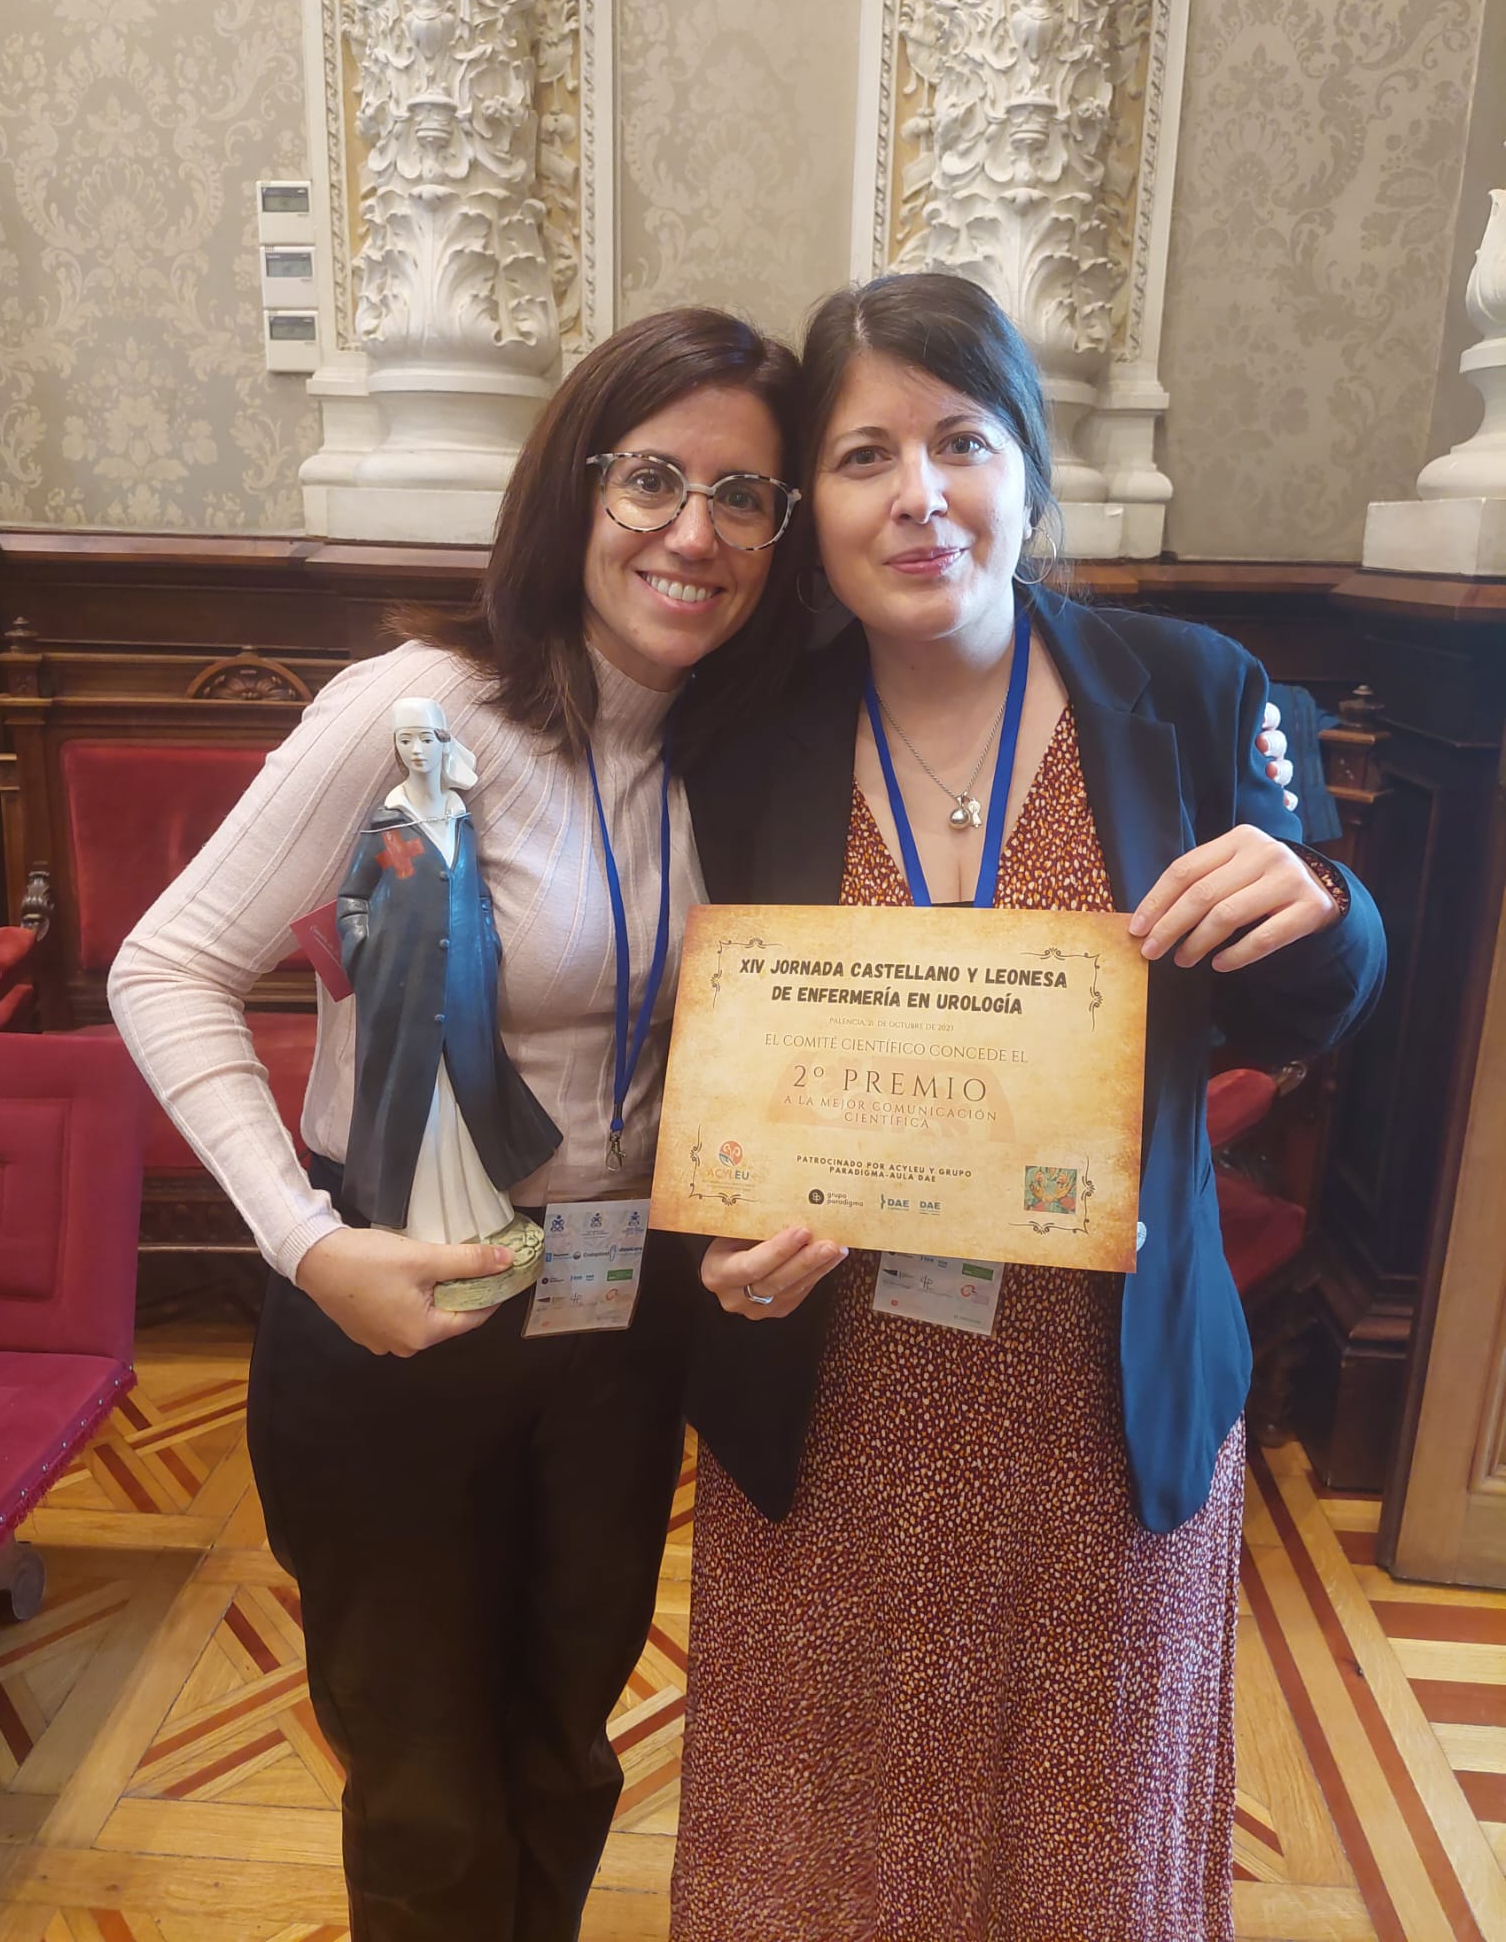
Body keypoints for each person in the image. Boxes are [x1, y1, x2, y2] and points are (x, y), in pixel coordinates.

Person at [672, 272, 1385, 1942]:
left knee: (1080, 1839)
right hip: (834, 1393)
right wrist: (699, 1245)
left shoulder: (1189, 691)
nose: (918, 495)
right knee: (822, 1835)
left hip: (1099, 1398)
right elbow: (678, 1046)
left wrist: (1321, 905)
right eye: (863, 455)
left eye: (961, 441)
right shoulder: (745, 735)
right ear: (808, 505)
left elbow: (1311, 997)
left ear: (1031, 472)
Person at [107, 306, 810, 1942]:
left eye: (743, 496)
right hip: (399, 1295)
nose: (694, 532)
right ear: (575, 484)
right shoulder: (421, 707)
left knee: (565, 1738)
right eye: (653, 478)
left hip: (622, 1309)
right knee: (422, 1775)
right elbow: (167, 964)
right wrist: (305, 1243)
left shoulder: (740, 750)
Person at [336, 698, 561, 1257]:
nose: (416, 751)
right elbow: (353, 896)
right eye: (405, 740)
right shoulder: (391, 825)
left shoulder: (460, 817)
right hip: (404, 988)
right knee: (415, 1091)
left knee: (471, 1083)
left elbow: (472, 889)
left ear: (443, 743)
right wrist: (365, 953)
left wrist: (485, 939)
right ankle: (412, 1217)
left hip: (464, 984)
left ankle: (477, 1209)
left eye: (425, 739)